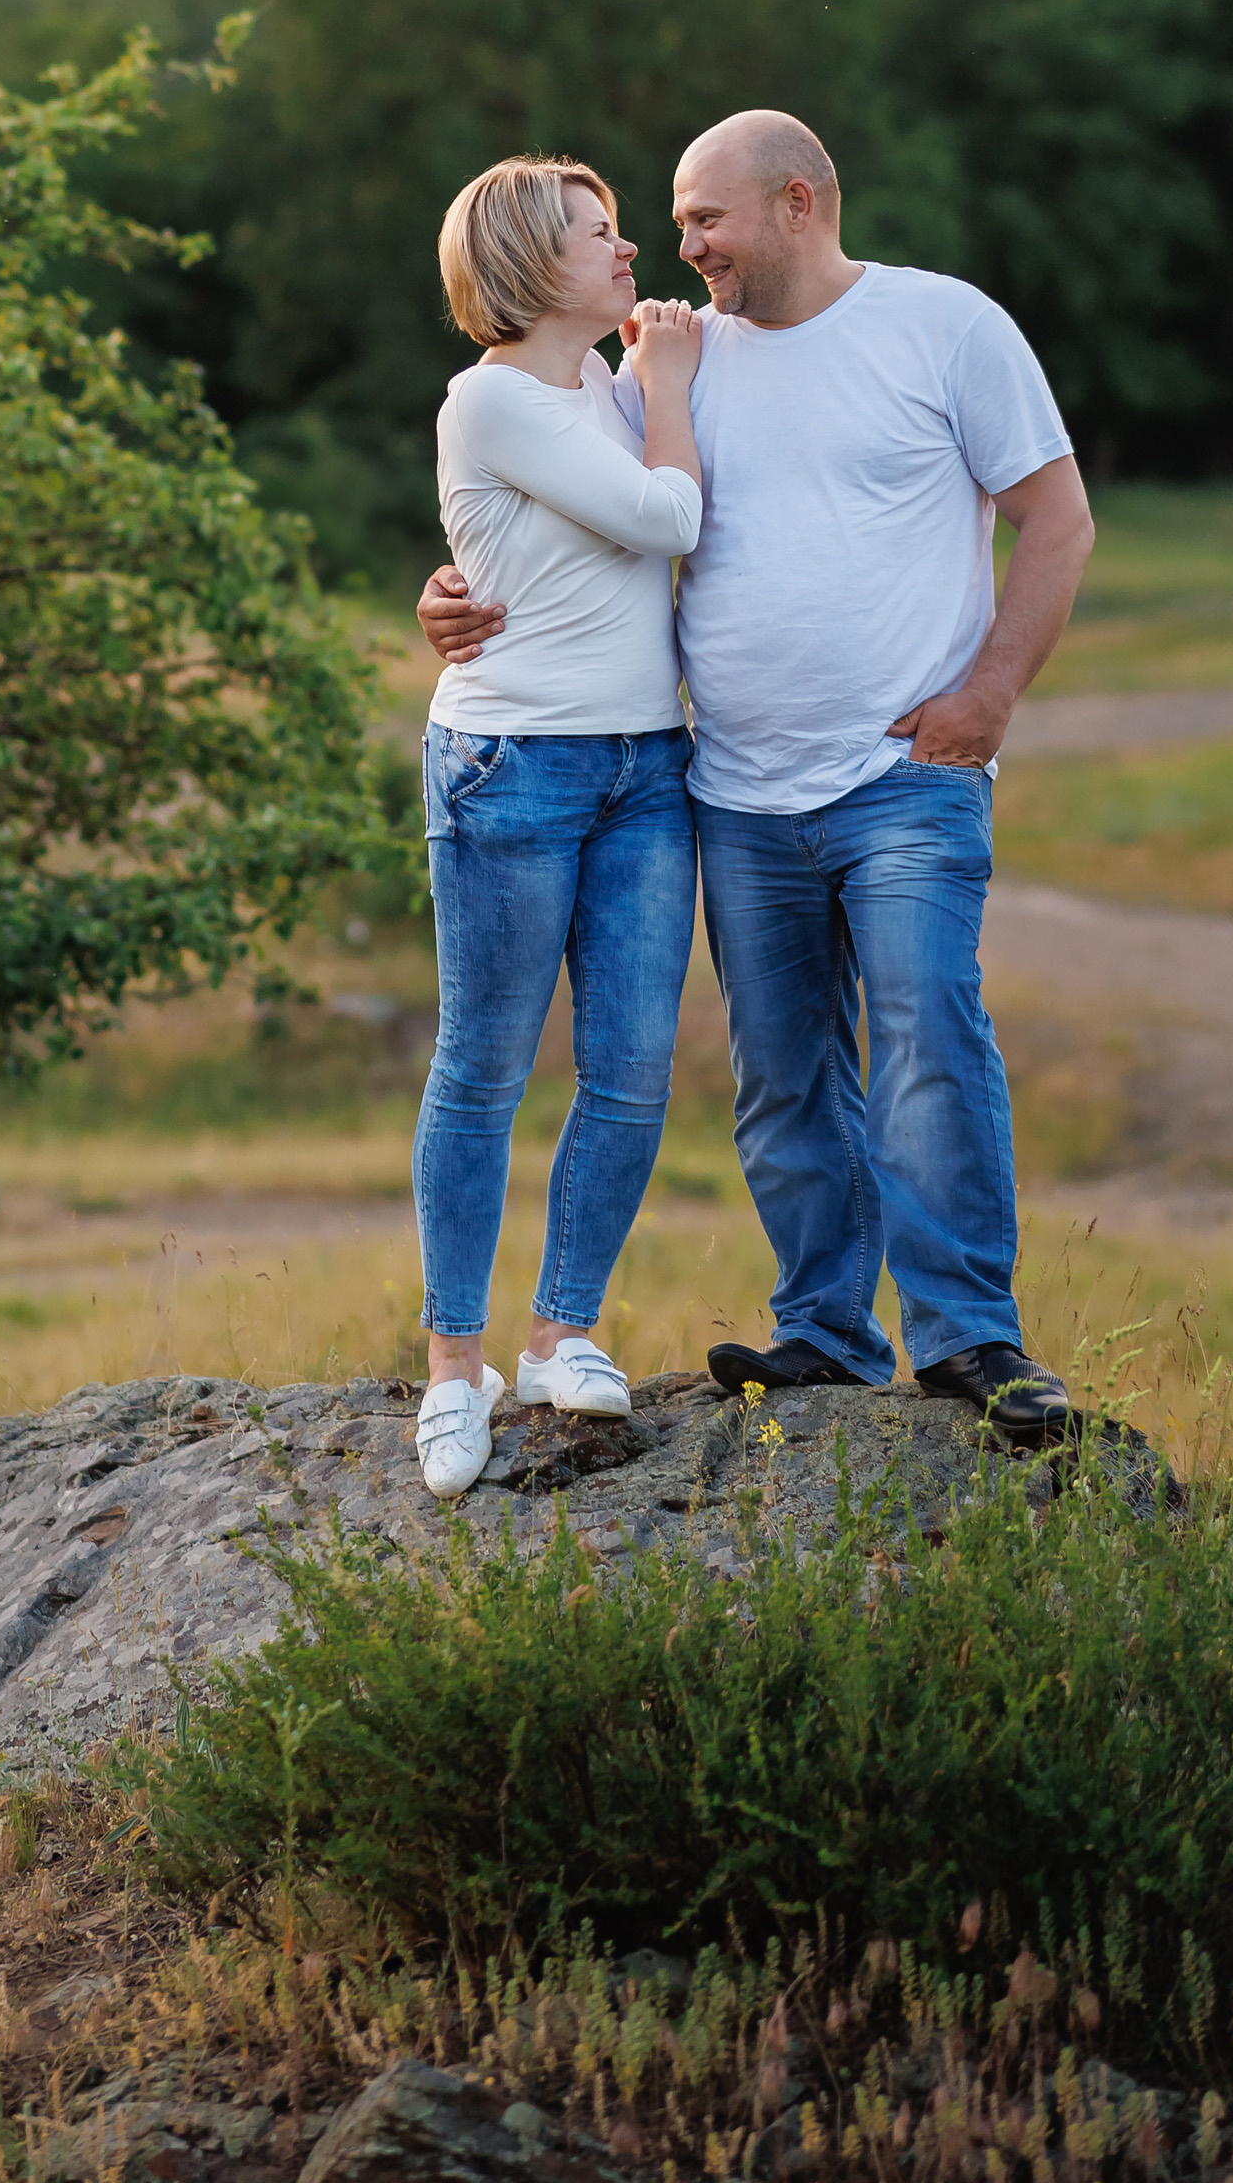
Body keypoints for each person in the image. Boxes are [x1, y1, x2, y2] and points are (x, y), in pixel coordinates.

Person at [418, 110, 1096, 1451]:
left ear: (798, 203)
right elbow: (536, 495)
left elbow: (1058, 516)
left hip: (906, 773)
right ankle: (829, 1333)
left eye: (704, 219)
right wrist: (447, 594)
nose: (682, 247)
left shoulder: (944, 326)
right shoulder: (672, 362)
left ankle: (971, 1341)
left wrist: (990, 696)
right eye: (664, 224)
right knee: (784, 1074)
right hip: (727, 787)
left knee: (924, 1039)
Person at [409, 156, 706, 1499]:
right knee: (484, 1069)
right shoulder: (490, 401)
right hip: (514, 765)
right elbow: (668, 516)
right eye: (601, 234)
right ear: (534, 262)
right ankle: (452, 1368)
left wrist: (658, 381)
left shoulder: (605, 381)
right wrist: (677, 390)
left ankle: (562, 1333)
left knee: (634, 1069)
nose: (632, 249)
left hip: (647, 765)